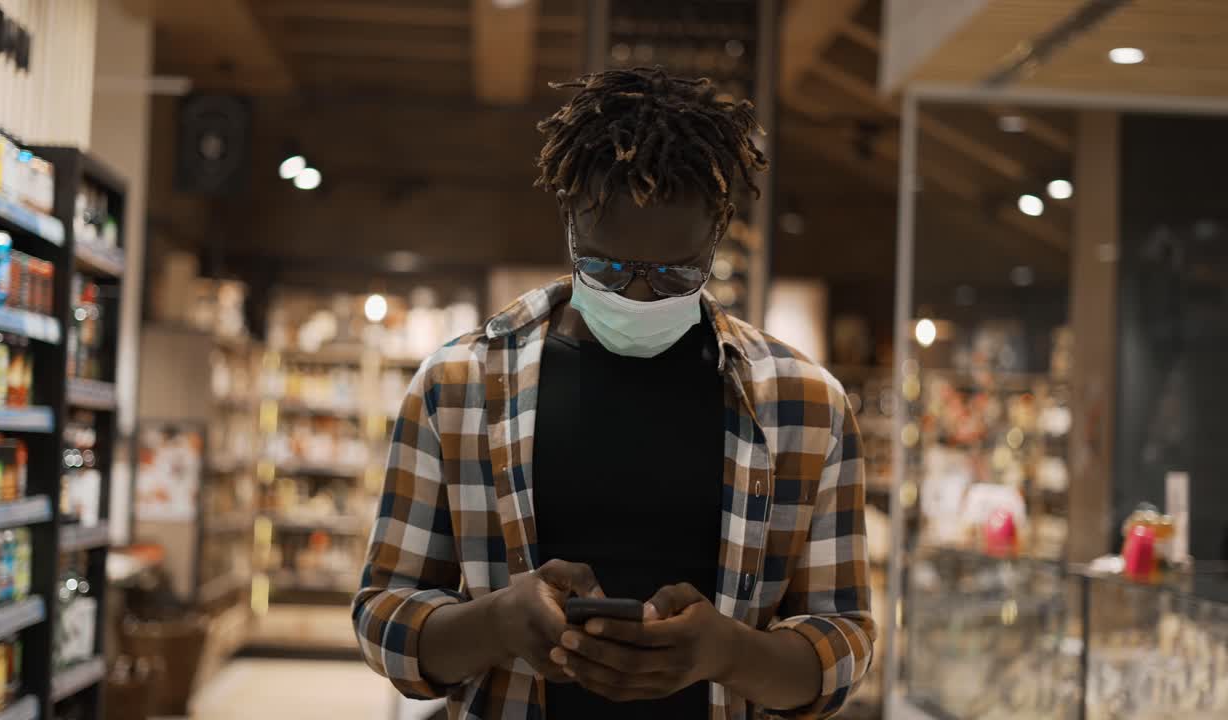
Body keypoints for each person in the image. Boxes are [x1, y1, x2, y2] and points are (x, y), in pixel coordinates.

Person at [353, 67, 875, 720]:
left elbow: (844, 639)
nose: (634, 294)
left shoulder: (807, 407)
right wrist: (496, 621)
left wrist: (730, 654)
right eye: (604, 266)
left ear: (718, 235)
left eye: (672, 275)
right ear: (569, 221)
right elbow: (382, 616)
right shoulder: (456, 386)